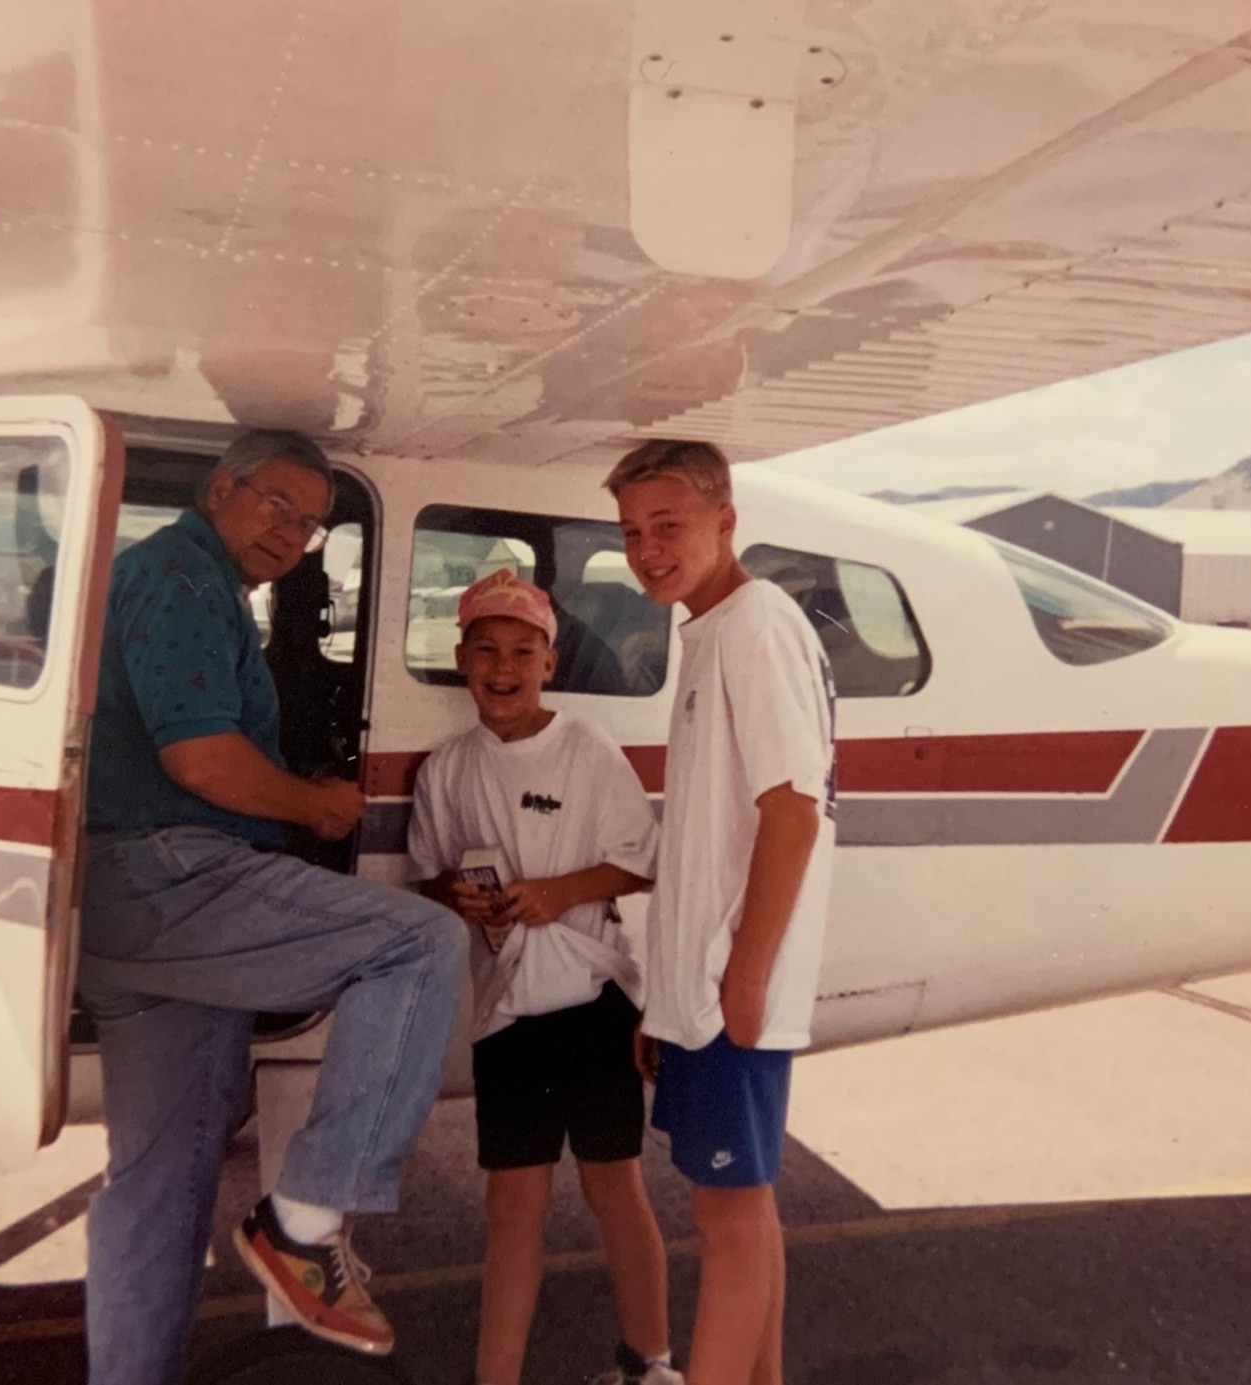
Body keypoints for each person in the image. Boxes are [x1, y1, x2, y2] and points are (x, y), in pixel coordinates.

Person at [77, 429, 467, 1385]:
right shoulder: (181, 580)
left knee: (160, 1189)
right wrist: (315, 803)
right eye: (276, 506)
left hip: (132, 919)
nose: (293, 534)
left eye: (312, 524)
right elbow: (200, 760)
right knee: (421, 946)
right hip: (173, 881)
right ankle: (304, 1224)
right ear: (221, 489)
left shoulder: (191, 581)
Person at [407, 570, 680, 1385]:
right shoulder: (446, 767)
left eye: (522, 651)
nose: (503, 667)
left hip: (596, 1003)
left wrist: (558, 892)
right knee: (512, 1212)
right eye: (486, 650)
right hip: (508, 1018)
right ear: (461, 659)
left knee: (615, 1190)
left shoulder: (586, 749)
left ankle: (652, 1365)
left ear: (549, 663)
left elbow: (640, 864)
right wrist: (454, 895)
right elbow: (428, 874)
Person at [604, 440, 836, 1385]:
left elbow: (795, 807)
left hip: (730, 988)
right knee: (747, 1212)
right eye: (632, 533)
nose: (649, 549)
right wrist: (670, 997)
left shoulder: (752, 626)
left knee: (727, 1224)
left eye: (670, 526)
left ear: (725, 521)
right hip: (701, 989)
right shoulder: (712, 628)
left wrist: (740, 977)